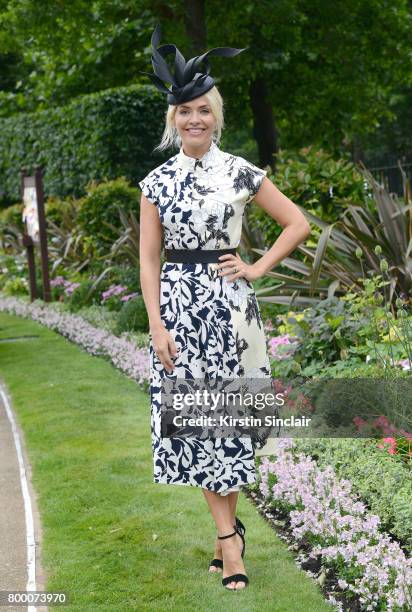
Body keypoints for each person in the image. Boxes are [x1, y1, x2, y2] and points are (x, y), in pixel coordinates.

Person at [139, 24, 311, 591]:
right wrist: (156, 324)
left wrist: (257, 268)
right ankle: (229, 538)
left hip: (230, 312)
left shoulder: (239, 170)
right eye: (185, 110)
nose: (194, 119)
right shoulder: (156, 183)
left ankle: (228, 542)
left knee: (227, 425)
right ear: (173, 119)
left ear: (216, 117)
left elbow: (297, 223)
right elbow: (148, 262)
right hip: (179, 312)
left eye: (203, 110)